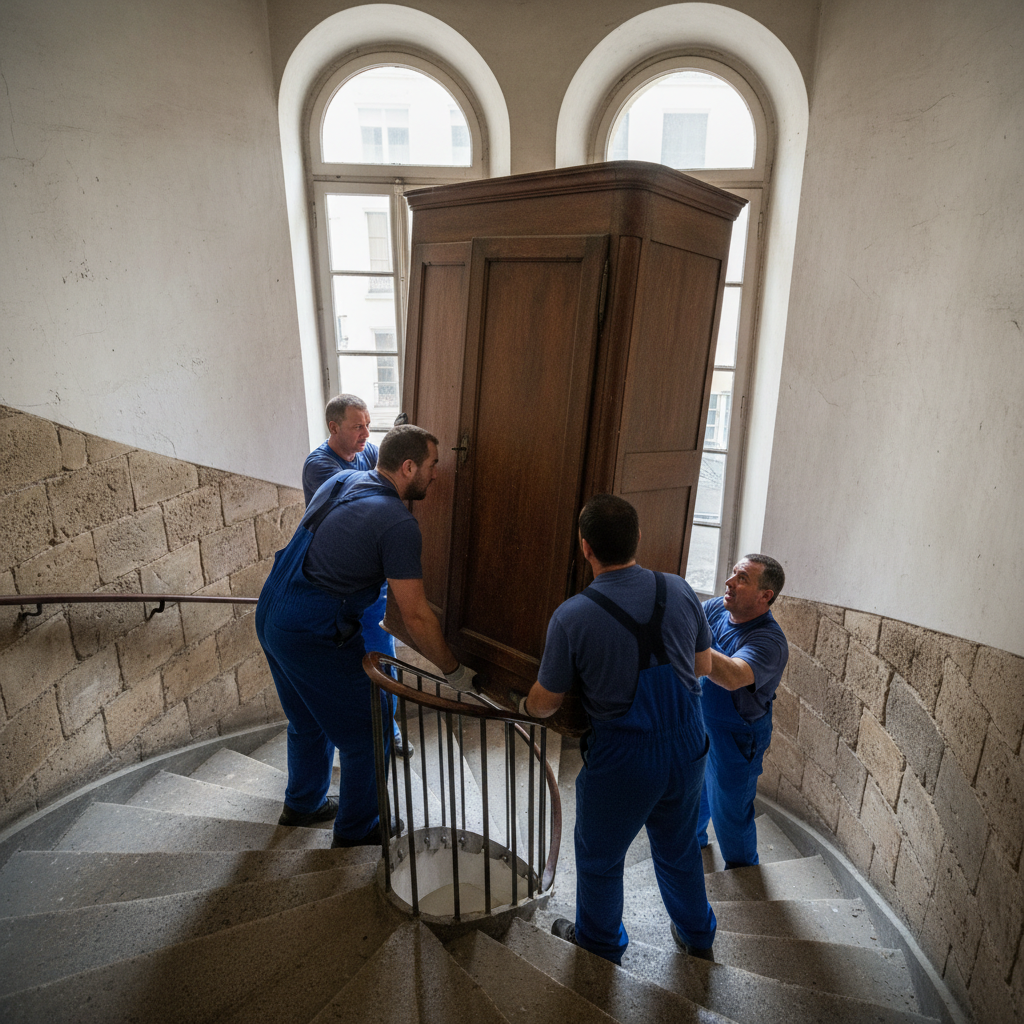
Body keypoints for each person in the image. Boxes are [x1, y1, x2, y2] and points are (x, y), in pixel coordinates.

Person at [518, 494, 717, 965]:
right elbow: (703, 666)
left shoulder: (572, 616)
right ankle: (698, 934)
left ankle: (601, 943)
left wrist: (523, 703)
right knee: (678, 846)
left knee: (600, 856)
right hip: (689, 742)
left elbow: (544, 705)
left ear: (584, 547)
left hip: (625, 758)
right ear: (638, 538)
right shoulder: (681, 588)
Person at [256, 425, 477, 847]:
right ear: (408, 466)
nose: (436, 475)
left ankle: (303, 805)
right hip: (311, 630)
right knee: (371, 731)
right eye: (432, 466)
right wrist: (455, 673)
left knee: (307, 719)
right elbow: (414, 614)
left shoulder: (344, 478)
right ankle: (358, 830)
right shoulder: (397, 523)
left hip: (272, 611)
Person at [302, 394, 409, 758]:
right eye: (357, 426)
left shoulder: (366, 450)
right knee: (347, 670)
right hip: (338, 586)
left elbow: (386, 466)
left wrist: (399, 438)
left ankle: (389, 728)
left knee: (384, 656)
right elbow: (360, 489)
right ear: (334, 428)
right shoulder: (318, 465)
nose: (366, 432)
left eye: (368, 424)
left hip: (367, 585)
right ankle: (359, 734)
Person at [697, 555, 789, 868]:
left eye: (742, 578)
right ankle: (694, 841)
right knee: (696, 788)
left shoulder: (769, 640)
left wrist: (687, 641)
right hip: (702, 722)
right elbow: (685, 619)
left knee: (730, 812)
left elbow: (733, 676)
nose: (729, 582)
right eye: (733, 573)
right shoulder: (715, 610)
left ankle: (742, 869)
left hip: (736, 737)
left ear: (766, 596)